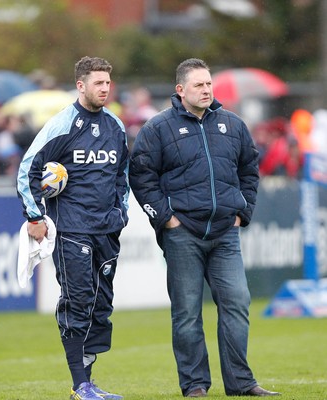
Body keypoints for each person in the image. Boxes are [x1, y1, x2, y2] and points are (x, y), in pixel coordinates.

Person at [129, 58, 280, 398]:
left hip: (226, 232)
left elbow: (249, 171)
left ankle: (240, 383)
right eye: (199, 85)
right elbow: (141, 177)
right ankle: (195, 384)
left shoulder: (233, 124)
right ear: (180, 90)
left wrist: (245, 211)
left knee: (238, 303)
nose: (207, 90)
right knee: (186, 313)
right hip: (183, 234)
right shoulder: (157, 129)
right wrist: (165, 217)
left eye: (209, 84)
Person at [17, 56, 129, 400]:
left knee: (101, 307)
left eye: (108, 83)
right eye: (98, 83)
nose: (105, 89)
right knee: (78, 302)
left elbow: (122, 176)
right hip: (73, 230)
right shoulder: (61, 126)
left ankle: (89, 383)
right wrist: (35, 217)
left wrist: (121, 214)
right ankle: (80, 384)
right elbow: (27, 170)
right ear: (81, 85)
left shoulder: (116, 126)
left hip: (107, 230)